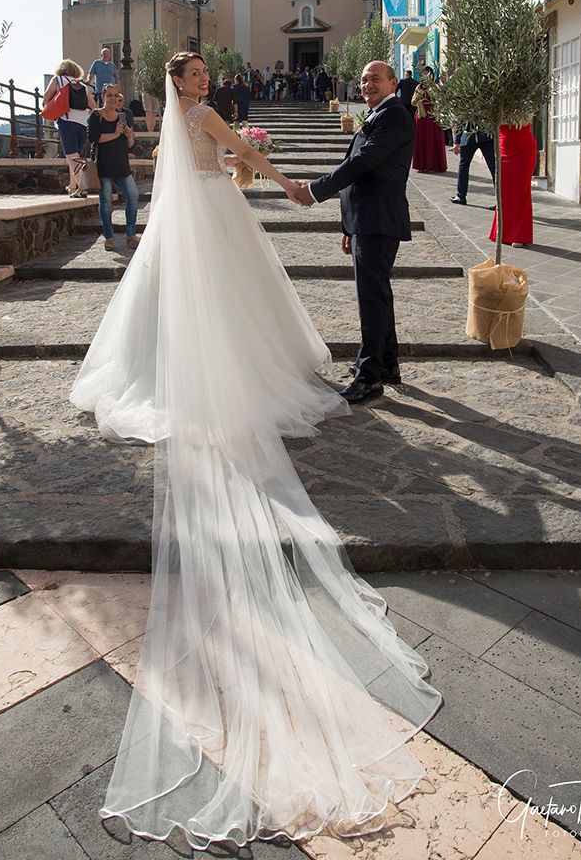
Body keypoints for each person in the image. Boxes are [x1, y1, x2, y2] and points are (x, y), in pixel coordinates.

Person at [69, 51, 440, 850]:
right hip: (218, 215)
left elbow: (225, 150)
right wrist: (281, 178)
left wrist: (279, 170)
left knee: (207, 310)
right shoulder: (200, 117)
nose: (205, 79)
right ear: (182, 85)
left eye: (205, 72)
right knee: (239, 310)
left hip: (196, 217)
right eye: (196, 72)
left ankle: (198, 370)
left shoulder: (189, 120)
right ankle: (273, 372)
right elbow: (244, 154)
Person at [292, 62, 415, 404]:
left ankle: (369, 376)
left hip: (378, 220)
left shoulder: (395, 116)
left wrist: (315, 190)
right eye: (363, 80)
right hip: (365, 220)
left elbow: (363, 163)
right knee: (378, 295)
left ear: (393, 82)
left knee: (371, 299)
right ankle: (387, 364)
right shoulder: (377, 114)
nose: (367, 84)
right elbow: (359, 167)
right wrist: (348, 226)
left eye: (376, 78)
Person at [88, 84, 139, 251]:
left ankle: (131, 235)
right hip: (103, 166)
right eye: (109, 95)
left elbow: (130, 145)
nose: (113, 98)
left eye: (116, 95)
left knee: (133, 196)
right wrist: (116, 134)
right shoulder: (96, 116)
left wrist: (129, 136)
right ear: (103, 96)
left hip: (122, 165)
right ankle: (108, 237)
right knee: (106, 203)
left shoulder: (123, 117)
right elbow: (94, 138)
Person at [43, 60, 97, 196]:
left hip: (67, 121)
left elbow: (46, 96)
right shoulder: (82, 85)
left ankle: (82, 188)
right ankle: (72, 186)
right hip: (84, 123)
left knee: (72, 157)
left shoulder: (58, 80)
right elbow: (93, 105)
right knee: (75, 156)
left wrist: (50, 106)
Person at [489, 122, 537, 247]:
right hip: (504, 150)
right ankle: (502, 232)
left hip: (524, 150)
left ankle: (519, 235)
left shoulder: (525, 103)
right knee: (504, 191)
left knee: (521, 191)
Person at [450, 122, 496, 206]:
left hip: (469, 136)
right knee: (494, 168)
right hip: (486, 136)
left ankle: (461, 196)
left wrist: (457, 142)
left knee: (464, 165)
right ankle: (500, 200)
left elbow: (460, 120)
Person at [411, 68, 447, 174]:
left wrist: (430, 92)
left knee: (432, 141)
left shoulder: (435, 86)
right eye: (424, 73)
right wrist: (419, 95)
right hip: (421, 117)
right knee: (421, 141)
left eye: (428, 73)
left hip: (432, 117)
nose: (426, 75)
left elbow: (439, 98)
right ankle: (422, 165)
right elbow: (413, 102)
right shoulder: (418, 87)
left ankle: (433, 165)